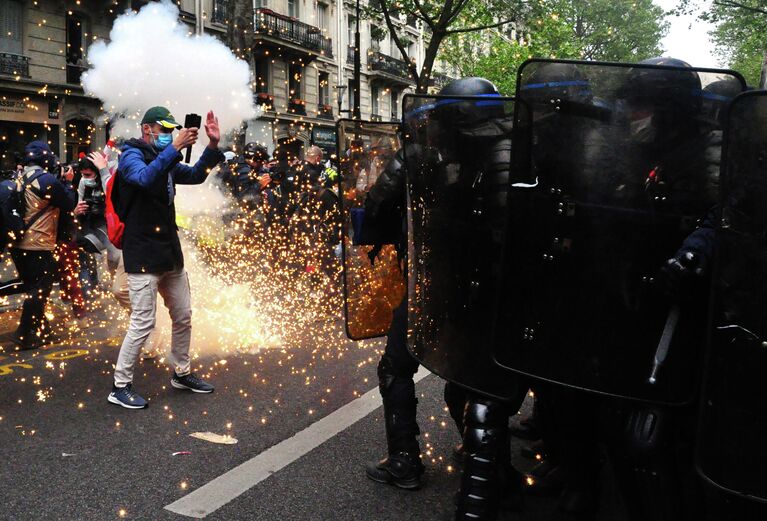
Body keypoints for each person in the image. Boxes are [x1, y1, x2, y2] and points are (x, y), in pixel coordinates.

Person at [107, 106, 223, 409]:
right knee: (143, 323)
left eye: (173, 130)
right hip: (143, 253)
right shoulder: (130, 155)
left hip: (169, 253)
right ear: (148, 130)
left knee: (183, 315)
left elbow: (197, 175)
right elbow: (144, 178)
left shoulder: (167, 161)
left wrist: (211, 146)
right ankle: (120, 386)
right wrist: (174, 148)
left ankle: (181, 372)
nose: (171, 135)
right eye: (165, 130)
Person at [10, 141, 77, 350]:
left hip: (17, 244)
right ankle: (22, 333)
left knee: (34, 288)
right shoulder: (45, 179)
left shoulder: (18, 176)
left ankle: (43, 331)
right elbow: (69, 202)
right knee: (40, 290)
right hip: (38, 244)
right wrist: (68, 182)